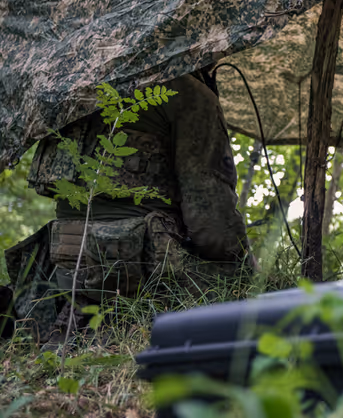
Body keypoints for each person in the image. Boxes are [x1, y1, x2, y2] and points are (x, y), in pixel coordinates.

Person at [2, 69, 254, 346]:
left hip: (64, 272)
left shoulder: (63, 83)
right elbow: (213, 225)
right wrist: (246, 271)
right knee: (258, 288)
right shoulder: (187, 93)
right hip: (147, 281)